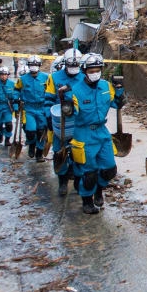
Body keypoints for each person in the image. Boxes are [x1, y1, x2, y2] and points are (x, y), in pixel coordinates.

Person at [60, 53, 125, 215]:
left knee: (110, 169)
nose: (95, 73)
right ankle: (87, 200)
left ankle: (98, 189)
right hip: (84, 133)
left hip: (102, 132)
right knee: (89, 173)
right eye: (91, 70)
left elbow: (117, 104)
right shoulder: (75, 90)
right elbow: (69, 112)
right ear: (84, 71)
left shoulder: (105, 86)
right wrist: (66, 102)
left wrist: (119, 91)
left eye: (98, 70)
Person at [45, 49, 82, 195]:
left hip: (78, 122)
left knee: (78, 152)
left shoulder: (84, 77)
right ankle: (62, 181)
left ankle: (78, 180)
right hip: (60, 121)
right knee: (59, 151)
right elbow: (48, 99)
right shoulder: (54, 78)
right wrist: (48, 118)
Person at [18, 54, 50, 160]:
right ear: (28, 65)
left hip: (42, 108)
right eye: (32, 64)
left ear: (39, 65)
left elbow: (50, 92)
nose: (34, 66)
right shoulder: (22, 79)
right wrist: (16, 101)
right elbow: (16, 90)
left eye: (36, 64)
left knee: (41, 131)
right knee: (30, 131)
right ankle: (31, 144)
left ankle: (39, 153)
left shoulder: (46, 77)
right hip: (29, 108)